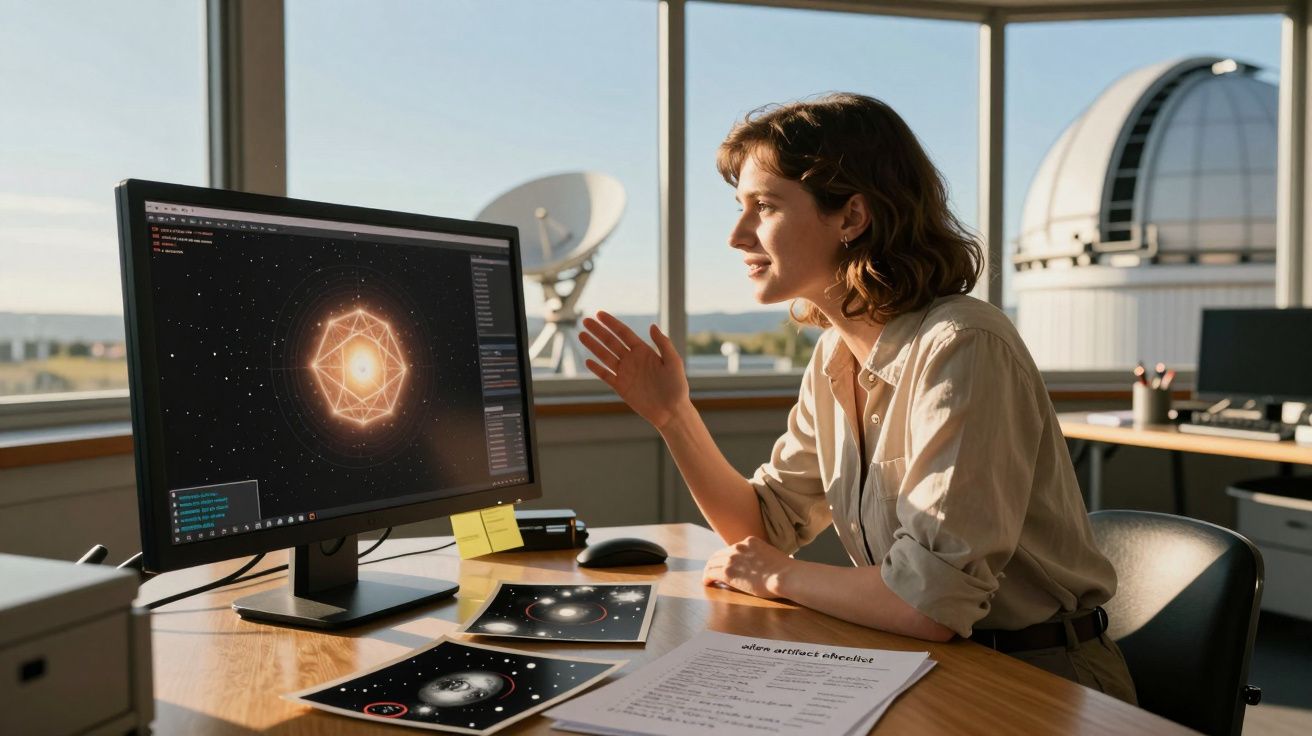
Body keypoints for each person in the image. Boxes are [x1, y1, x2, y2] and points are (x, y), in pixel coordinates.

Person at [577, 93, 1136, 704]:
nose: (738, 235)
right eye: (740, 208)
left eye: (763, 206)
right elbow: (760, 527)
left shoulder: (963, 346)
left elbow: (929, 602)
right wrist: (672, 414)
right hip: (923, 660)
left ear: (851, 217)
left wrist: (778, 575)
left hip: (1038, 680)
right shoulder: (834, 355)